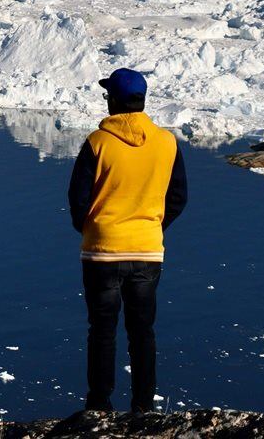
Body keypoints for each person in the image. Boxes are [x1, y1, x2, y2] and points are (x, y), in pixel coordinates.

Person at [67, 67, 187, 416]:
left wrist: (93, 229)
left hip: (103, 252)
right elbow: (178, 196)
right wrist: (153, 227)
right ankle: (143, 407)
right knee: (142, 331)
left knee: (102, 330)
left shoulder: (97, 142)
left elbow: (78, 199)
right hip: (148, 251)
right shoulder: (167, 142)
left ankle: (99, 405)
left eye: (108, 96)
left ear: (115, 101)